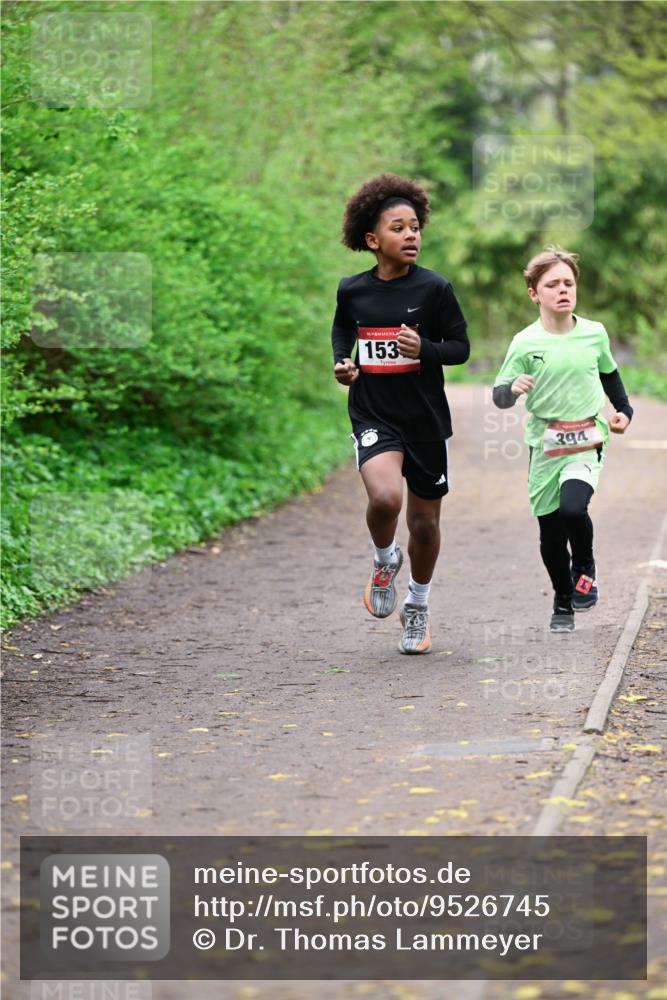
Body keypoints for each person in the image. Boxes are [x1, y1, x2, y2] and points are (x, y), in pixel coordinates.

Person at [331, 173, 470, 654]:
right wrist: (343, 362)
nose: (411, 235)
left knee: (425, 525)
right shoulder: (352, 290)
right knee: (386, 498)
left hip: (425, 420)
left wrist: (425, 348)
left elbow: (460, 348)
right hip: (374, 413)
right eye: (398, 228)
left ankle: (417, 604)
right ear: (373, 240)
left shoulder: (435, 289)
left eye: (415, 227)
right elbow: (343, 330)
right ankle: (384, 558)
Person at [492, 246, 633, 632]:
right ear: (534, 294)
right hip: (545, 442)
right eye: (552, 284)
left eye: (568, 283)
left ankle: (584, 566)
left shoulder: (594, 333)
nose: (562, 290)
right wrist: (512, 389)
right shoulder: (525, 342)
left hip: (587, 437)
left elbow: (609, 372)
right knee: (551, 532)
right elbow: (499, 396)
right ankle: (562, 597)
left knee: (573, 509)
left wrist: (624, 409)